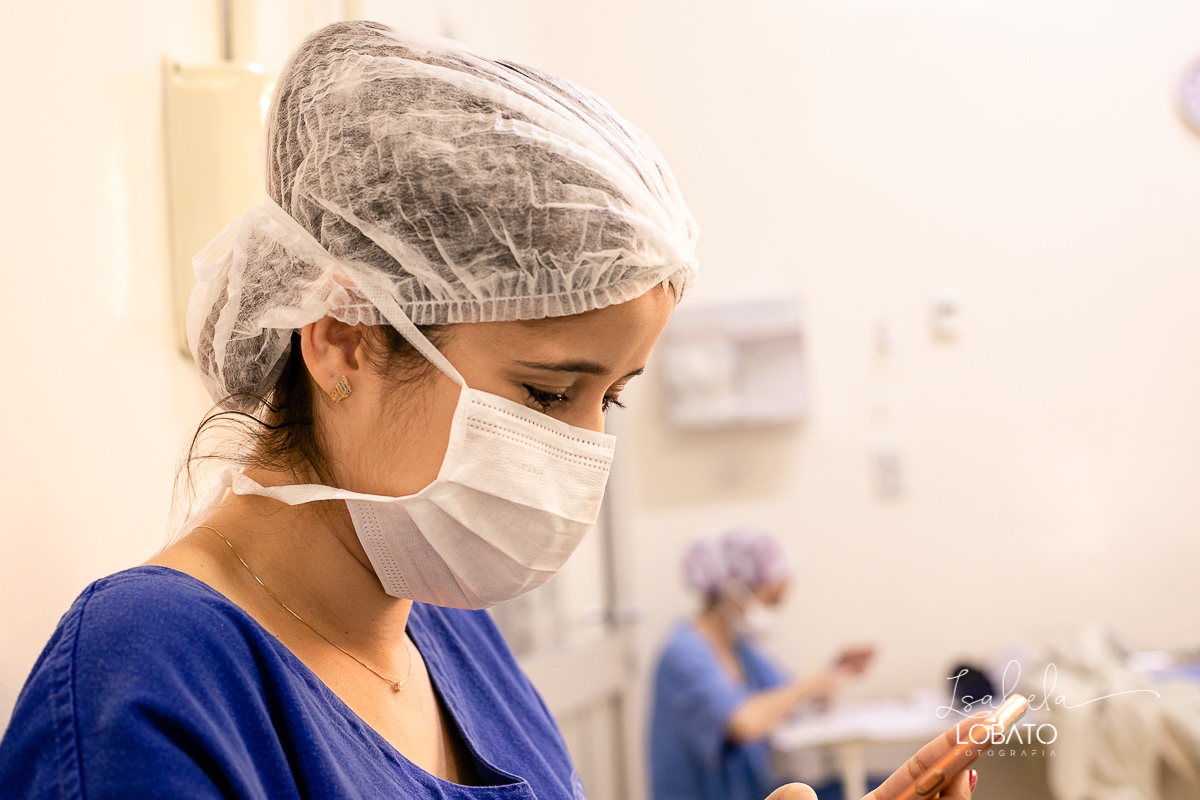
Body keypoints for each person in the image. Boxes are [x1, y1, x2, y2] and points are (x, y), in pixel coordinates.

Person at [0, 20, 982, 800]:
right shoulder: (146, 683)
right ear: (342, 337)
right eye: (550, 391)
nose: (586, 445)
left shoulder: (451, 634)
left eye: (614, 396)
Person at [650, 528, 876, 800]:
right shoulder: (683, 653)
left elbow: (786, 699)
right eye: (771, 599)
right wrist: (810, 685)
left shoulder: (739, 649)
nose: (776, 611)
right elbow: (745, 722)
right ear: (734, 592)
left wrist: (833, 672)